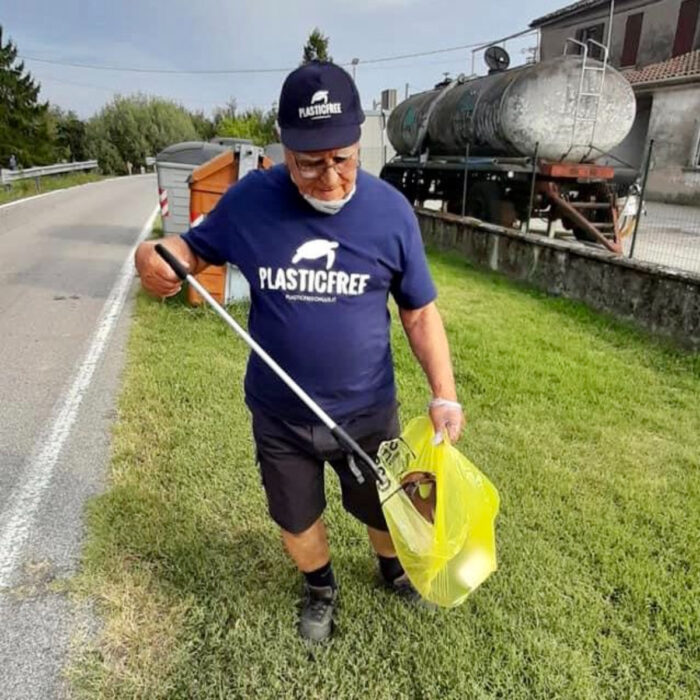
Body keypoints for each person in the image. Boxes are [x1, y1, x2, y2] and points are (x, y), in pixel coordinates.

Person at [135, 61, 464, 642]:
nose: (330, 178)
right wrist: (156, 259)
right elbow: (187, 250)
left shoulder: (391, 212)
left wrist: (444, 394)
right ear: (284, 149)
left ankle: (392, 569)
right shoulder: (251, 201)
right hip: (280, 414)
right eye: (310, 163)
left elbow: (417, 312)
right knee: (296, 515)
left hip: (366, 410)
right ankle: (320, 587)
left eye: (342, 158)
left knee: (383, 504)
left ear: (359, 142)